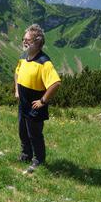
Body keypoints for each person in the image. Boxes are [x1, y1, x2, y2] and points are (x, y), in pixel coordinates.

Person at [14, 24, 61, 173]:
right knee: (22, 131)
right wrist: (16, 90)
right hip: (23, 103)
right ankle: (26, 155)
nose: (24, 42)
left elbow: (55, 83)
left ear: (37, 42)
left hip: (35, 105)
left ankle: (38, 160)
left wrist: (42, 101)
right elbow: (17, 73)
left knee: (34, 134)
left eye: (27, 40)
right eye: (24, 39)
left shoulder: (44, 62)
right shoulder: (23, 57)